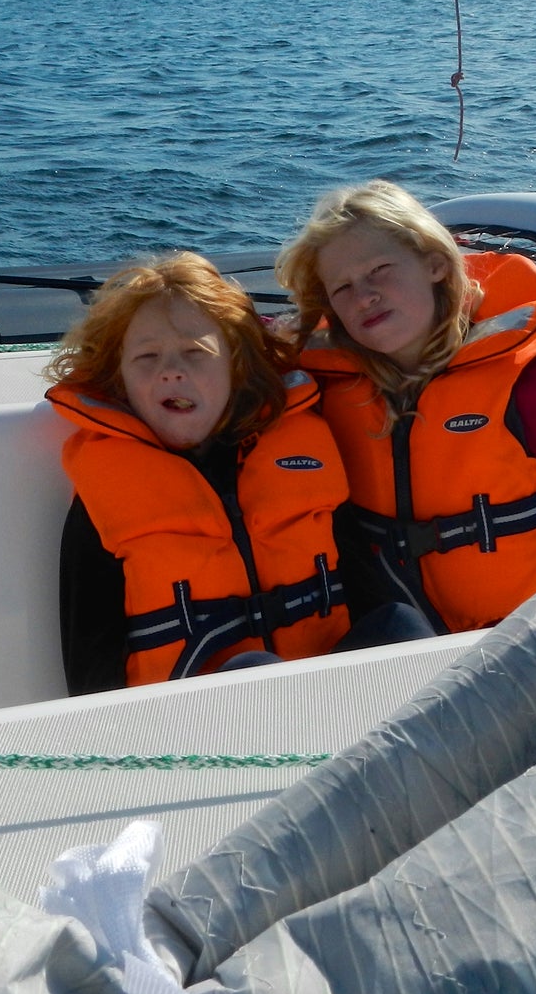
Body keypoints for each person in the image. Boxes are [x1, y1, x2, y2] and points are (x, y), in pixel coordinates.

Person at [276, 179, 536, 633]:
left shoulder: (520, 379)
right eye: (342, 288)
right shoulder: (326, 389)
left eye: (379, 269)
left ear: (435, 264)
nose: (364, 296)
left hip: (527, 635)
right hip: (399, 643)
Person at [45, 252, 351, 693]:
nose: (171, 372)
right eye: (147, 357)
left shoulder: (306, 452)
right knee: (254, 670)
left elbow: (358, 583)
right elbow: (89, 665)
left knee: (397, 624)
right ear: (120, 381)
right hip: (195, 723)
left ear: (236, 367)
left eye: (195, 352)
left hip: (336, 701)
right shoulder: (103, 497)